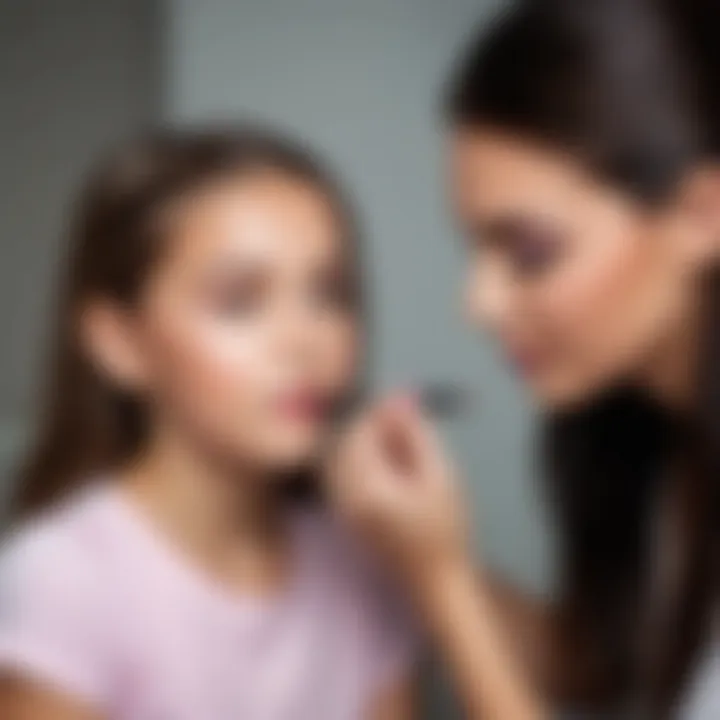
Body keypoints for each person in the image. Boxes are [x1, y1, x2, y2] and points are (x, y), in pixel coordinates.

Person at [328, 0, 720, 718]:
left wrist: (443, 583)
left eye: (531, 252)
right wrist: (419, 561)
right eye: (475, 248)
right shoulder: (661, 449)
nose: (477, 305)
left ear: (701, 214)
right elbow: (625, 666)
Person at [0, 127, 418, 719]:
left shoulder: (361, 563)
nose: (306, 341)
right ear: (119, 342)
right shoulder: (61, 586)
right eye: (240, 301)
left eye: (330, 294)